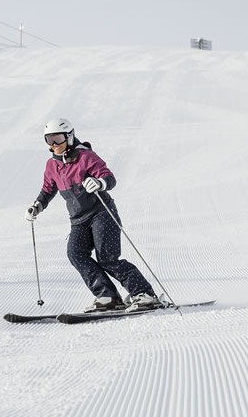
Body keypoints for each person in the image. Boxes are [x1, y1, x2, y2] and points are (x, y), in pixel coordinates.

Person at [24, 118, 159, 311]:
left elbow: (109, 178)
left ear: (69, 137)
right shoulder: (52, 165)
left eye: (58, 139)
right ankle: (107, 297)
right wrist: (37, 205)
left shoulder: (86, 157)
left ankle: (143, 294)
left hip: (101, 213)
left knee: (107, 258)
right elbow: (47, 190)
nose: (54, 145)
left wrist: (99, 183)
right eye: (49, 140)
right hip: (78, 219)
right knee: (76, 254)